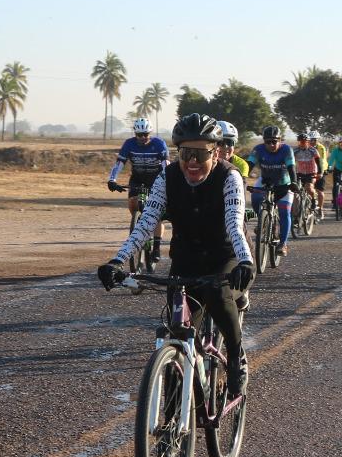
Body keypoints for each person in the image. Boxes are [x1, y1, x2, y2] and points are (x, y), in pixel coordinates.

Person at [98, 114, 255, 396]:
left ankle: (235, 356)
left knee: (218, 296)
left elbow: (235, 224)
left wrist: (245, 261)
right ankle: (170, 419)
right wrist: (118, 260)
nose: (192, 161)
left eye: (200, 153)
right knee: (178, 332)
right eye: (185, 153)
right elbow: (146, 223)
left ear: (216, 152)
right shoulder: (167, 176)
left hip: (224, 255)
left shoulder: (229, 177)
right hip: (186, 257)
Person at [108, 116, 169, 262]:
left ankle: (156, 248)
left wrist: (167, 180)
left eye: (145, 134)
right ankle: (138, 223)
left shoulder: (159, 144)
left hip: (155, 179)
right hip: (137, 178)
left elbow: (165, 163)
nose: (142, 138)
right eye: (139, 135)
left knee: (157, 213)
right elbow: (120, 163)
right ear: (135, 134)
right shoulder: (129, 144)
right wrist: (112, 179)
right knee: (133, 204)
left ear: (150, 133)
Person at [247, 125, 295, 256]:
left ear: (280, 140)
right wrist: (241, 178)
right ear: (264, 141)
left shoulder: (286, 150)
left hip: (284, 183)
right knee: (255, 198)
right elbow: (249, 165)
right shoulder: (258, 150)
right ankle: (263, 221)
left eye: (275, 141)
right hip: (265, 181)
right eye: (268, 141)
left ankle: (283, 244)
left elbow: (291, 168)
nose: (271, 144)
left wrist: (294, 182)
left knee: (284, 211)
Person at [292, 131, 324, 221]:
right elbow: (290, 162)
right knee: (296, 194)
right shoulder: (295, 150)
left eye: (304, 142)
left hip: (311, 172)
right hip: (299, 173)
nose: (302, 143)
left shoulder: (313, 150)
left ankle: (313, 200)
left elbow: (319, 162)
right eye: (300, 142)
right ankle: (296, 216)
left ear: (308, 142)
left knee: (309, 187)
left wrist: (320, 173)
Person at [308, 130, 330, 212]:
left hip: (320, 169)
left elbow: (322, 160)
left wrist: (321, 172)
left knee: (320, 190)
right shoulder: (307, 147)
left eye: (314, 140)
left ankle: (320, 208)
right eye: (311, 140)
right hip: (309, 169)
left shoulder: (321, 148)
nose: (312, 142)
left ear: (317, 140)